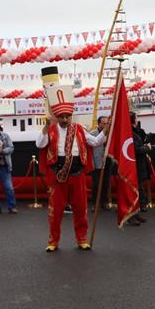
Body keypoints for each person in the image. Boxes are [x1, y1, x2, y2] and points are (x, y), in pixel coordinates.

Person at [36, 103, 106, 251]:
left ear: (71, 116)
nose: (65, 119)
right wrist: (45, 127)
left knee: (81, 209)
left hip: (77, 175)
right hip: (58, 176)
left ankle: (82, 239)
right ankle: (53, 241)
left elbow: (95, 142)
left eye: (67, 116)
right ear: (57, 117)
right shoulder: (51, 130)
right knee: (55, 211)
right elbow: (40, 144)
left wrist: (106, 130)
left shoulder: (79, 129)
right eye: (62, 117)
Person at [90, 116, 112, 210]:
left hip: (108, 160)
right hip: (96, 162)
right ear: (98, 124)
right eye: (104, 123)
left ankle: (104, 202)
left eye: (107, 123)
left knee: (106, 182)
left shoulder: (110, 134)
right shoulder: (92, 134)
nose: (106, 125)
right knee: (96, 183)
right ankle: (94, 204)